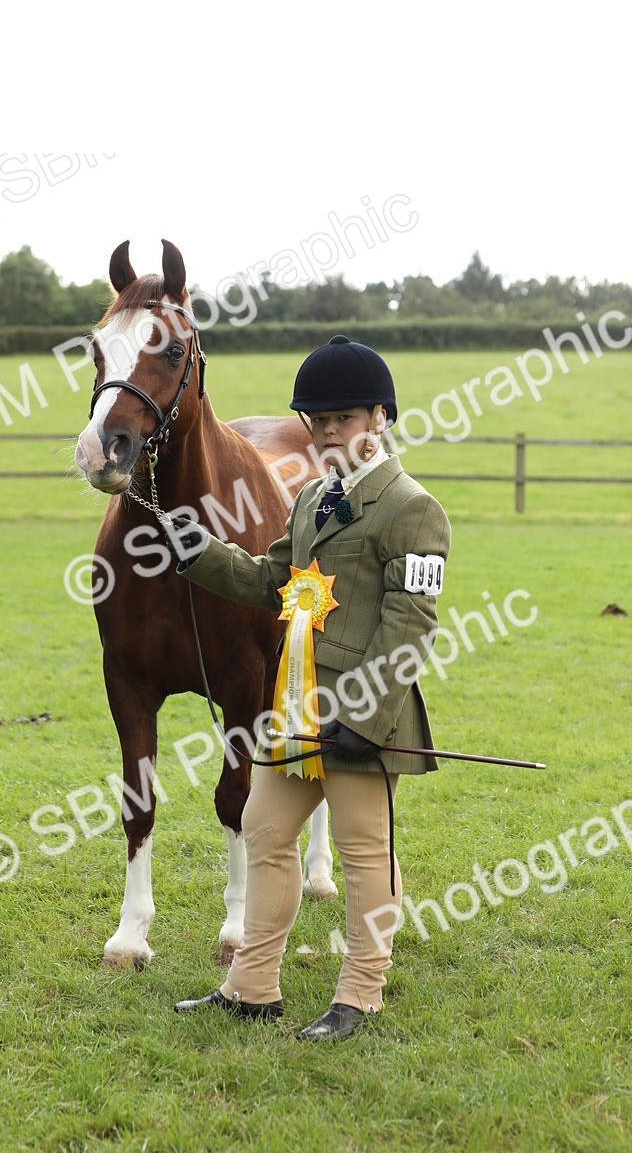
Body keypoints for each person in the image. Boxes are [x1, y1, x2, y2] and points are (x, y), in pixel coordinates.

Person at [162, 334, 452, 1042]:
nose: (327, 432)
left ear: (379, 417)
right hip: (296, 707)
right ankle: (253, 985)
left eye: (343, 418)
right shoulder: (311, 501)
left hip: (361, 714)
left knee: (363, 851)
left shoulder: (413, 508)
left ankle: (360, 993)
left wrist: (368, 716)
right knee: (264, 832)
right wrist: (198, 553)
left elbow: (411, 625)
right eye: (317, 420)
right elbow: (272, 581)